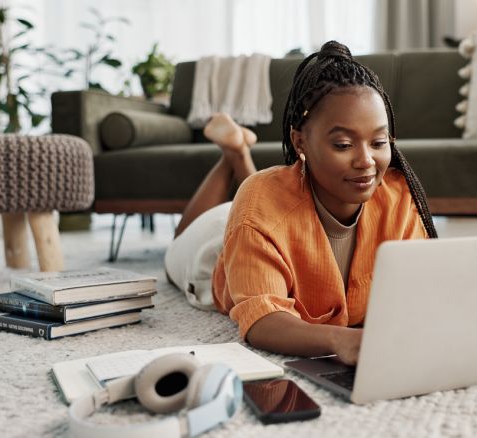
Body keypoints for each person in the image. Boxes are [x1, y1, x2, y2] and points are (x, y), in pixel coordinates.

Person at [165, 41, 437, 365]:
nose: (366, 161)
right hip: (211, 253)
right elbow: (262, 319)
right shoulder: (258, 206)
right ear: (300, 141)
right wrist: (340, 339)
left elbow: (422, 289)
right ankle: (233, 156)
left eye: (379, 141)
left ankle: (238, 152)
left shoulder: (398, 197)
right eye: (343, 144)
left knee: (258, 198)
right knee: (181, 239)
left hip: (264, 215)